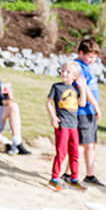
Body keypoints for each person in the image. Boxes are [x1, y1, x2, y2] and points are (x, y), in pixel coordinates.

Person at [46, 60, 87, 192]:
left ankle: (73, 179)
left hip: (73, 125)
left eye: (68, 72)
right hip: (62, 124)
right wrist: (53, 117)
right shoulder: (56, 87)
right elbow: (49, 103)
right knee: (61, 152)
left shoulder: (76, 88)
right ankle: (54, 179)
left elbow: (82, 104)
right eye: (62, 70)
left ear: (75, 76)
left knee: (74, 153)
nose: (64, 73)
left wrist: (82, 88)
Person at [73, 38, 104, 186]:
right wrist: (96, 106)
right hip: (82, 111)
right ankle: (69, 173)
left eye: (94, 57)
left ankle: (90, 175)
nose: (92, 60)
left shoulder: (86, 66)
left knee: (90, 144)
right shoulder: (78, 66)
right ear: (81, 53)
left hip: (89, 111)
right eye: (90, 56)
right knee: (82, 144)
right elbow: (84, 88)